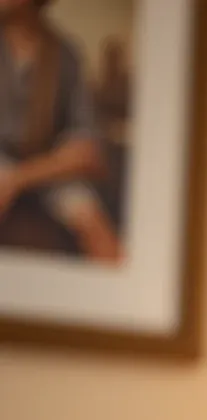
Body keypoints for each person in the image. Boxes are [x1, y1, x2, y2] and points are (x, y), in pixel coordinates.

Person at [0, 0, 123, 262]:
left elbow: (87, 147)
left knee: (94, 224)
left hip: (47, 166)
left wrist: (17, 179)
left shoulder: (65, 55)